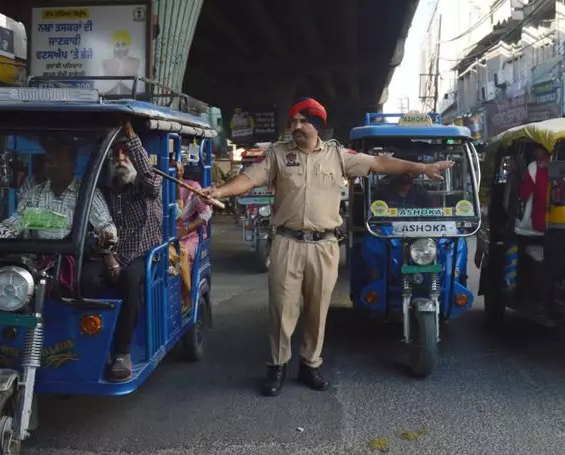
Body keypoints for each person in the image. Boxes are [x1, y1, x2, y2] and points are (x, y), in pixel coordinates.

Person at [198, 97, 454, 397]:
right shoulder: (279, 155)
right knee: (282, 310)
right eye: (292, 122)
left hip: (325, 245)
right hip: (286, 243)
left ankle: (310, 364)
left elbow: (381, 163)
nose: (295, 127)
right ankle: (277, 366)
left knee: (318, 310)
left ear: (316, 124)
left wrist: (422, 168)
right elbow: (249, 179)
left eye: (301, 122)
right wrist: (220, 190)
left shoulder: (338, 155)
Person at [80, 119, 163, 382]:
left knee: (131, 279)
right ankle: (93, 341)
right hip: (106, 255)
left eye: (125, 153)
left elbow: (151, 181)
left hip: (140, 254)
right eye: (115, 153)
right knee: (85, 279)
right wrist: (107, 256)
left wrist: (131, 139)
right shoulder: (101, 190)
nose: (120, 157)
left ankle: (121, 351)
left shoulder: (145, 186)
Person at [0, 136, 117, 242]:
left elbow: (105, 224)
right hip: (38, 265)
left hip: (72, 265)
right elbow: (14, 223)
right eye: (48, 161)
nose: (49, 166)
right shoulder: (34, 195)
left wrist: (107, 235)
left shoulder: (88, 195)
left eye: (56, 161)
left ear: (72, 164)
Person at [169, 159, 212, 310]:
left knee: (182, 254)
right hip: (166, 236)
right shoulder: (160, 187)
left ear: (182, 170)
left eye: (177, 166)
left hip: (189, 235)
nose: (175, 169)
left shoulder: (192, 187)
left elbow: (206, 214)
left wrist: (185, 230)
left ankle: (185, 299)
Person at [517, 144, 550, 235]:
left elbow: (524, 192)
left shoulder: (534, 167)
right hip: (562, 219)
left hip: (541, 220)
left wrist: (519, 198)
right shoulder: (562, 164)